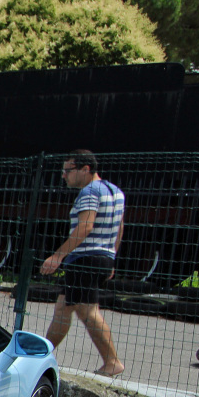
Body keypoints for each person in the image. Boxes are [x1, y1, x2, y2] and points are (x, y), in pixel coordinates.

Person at [40, 149, 126, 377]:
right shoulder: (115, 191)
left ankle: (112, 361)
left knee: (87, 312)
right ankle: (40, 355)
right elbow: (119, 228)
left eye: (68, 170)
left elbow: (85, 226)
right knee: (63, 307)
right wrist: (111, 256)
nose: (64, 175)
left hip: (85, 258)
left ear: (85, 169)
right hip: (103, 256)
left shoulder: (90, 191)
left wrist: (58, 256)